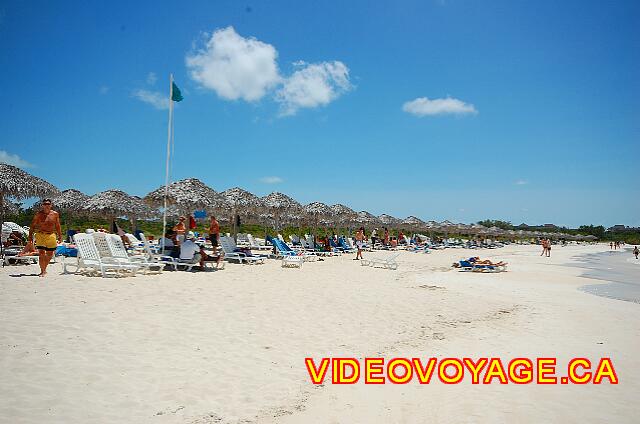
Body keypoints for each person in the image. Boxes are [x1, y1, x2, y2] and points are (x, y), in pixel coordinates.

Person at [27, 198, 62, 277]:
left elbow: (57, 225)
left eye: (48, 204)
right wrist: (30, 237)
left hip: (51, 235)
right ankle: (42, 271)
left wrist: (60, 236)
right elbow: (32, 226)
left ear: (51, 205)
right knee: (41, 254)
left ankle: (44, 268)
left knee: (50, 254)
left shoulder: (55, 214)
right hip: (40, 234)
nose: (46, 205)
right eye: (45, 204)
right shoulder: (38, 214)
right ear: (42, 205)